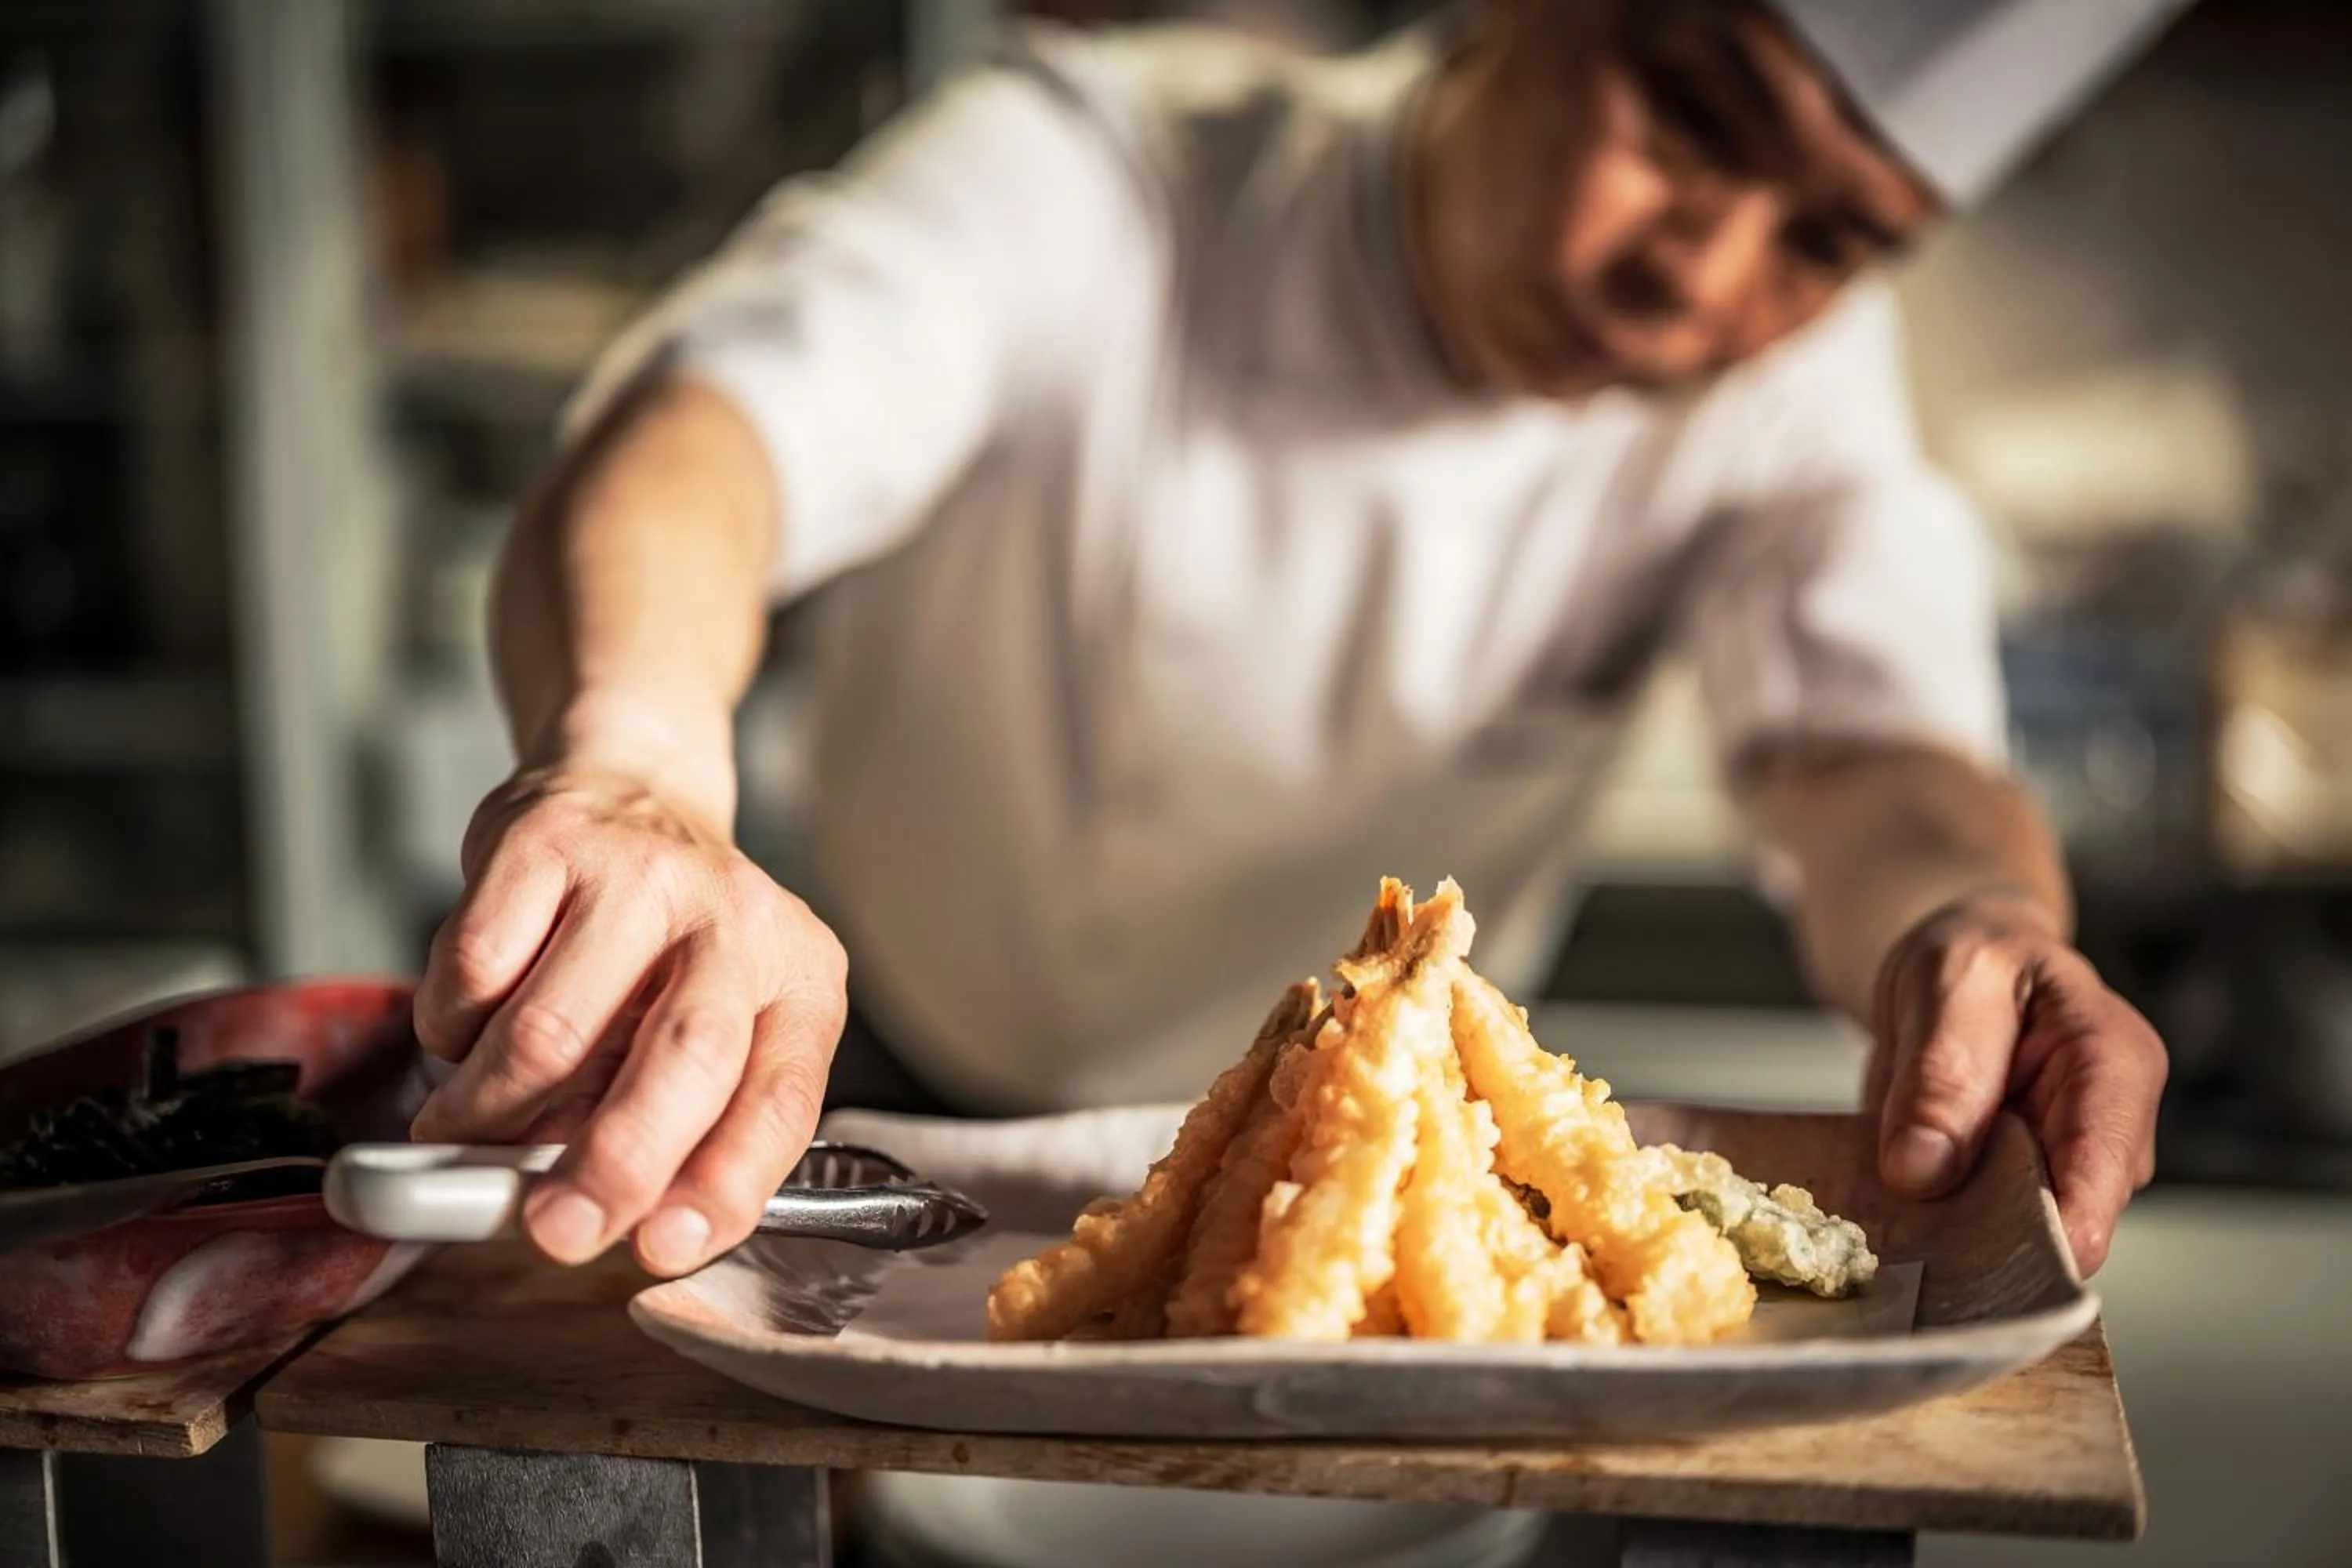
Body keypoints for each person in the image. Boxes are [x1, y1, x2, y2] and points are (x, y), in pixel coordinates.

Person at [408, 0, 2188, 1287]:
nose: (1706, 277)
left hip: (1389, 1174)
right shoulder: (1109, 172)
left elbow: (1870, 758)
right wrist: (636, 759)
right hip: (876, 1086)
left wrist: (1980, 923)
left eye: (1830, 239)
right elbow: (711, 437)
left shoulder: (1786, 398)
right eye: (1693, 114)